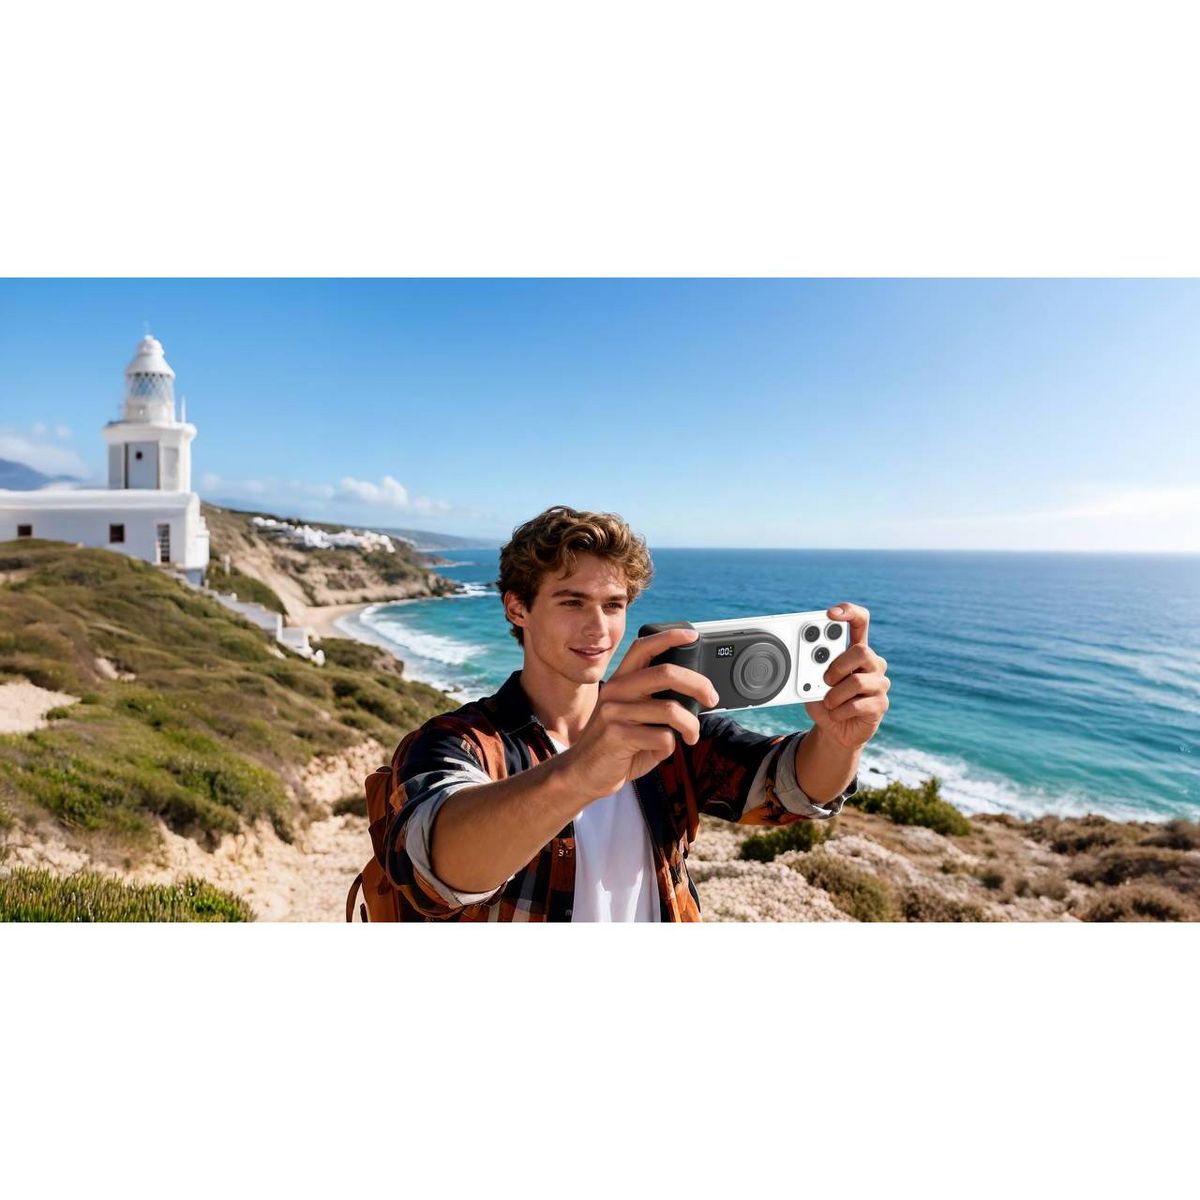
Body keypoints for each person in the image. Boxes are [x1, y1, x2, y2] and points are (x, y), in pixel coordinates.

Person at [382, 504, 891, 921]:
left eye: (613, 605)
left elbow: (788, 790)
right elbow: (433, 869)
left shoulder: (663, 724)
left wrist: (839, 740)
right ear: (518, 608)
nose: (598, 628)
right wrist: (580, 772)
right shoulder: (458, 741)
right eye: (572, 603)